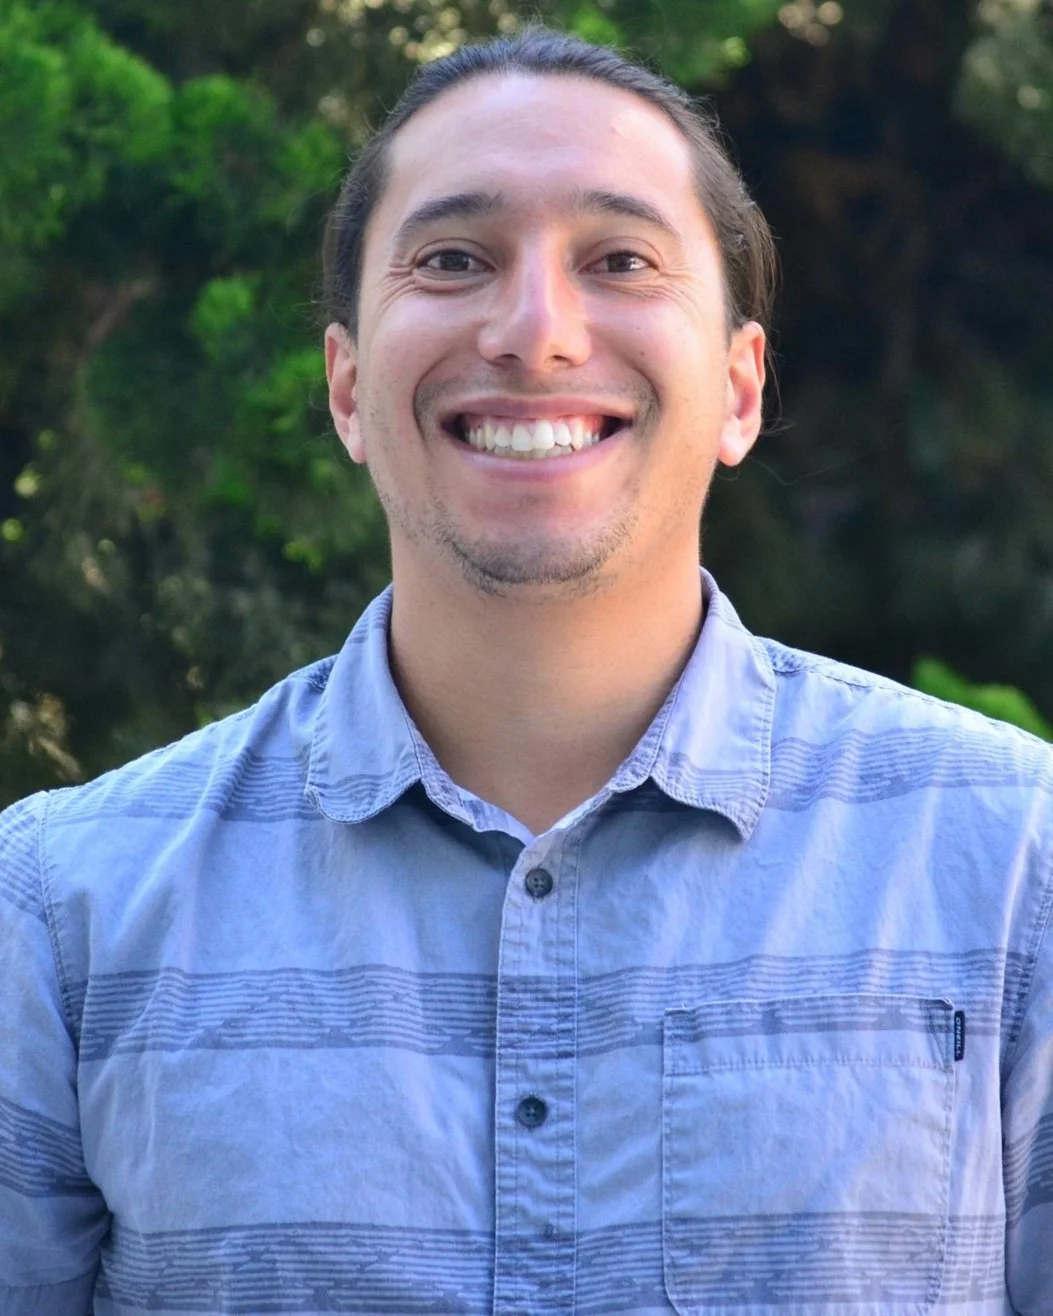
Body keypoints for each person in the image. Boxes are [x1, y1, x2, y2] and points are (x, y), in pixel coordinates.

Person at [2, 26, 1052, 1316]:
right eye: (453, 259)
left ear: (739, 390)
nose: (534, 330)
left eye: (619, 260)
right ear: (344, 389)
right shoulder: (61, 912)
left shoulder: (1016, 866)